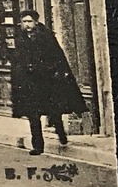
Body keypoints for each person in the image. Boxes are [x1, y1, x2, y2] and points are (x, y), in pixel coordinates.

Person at [13, 10, 85, 154]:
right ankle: (38, 146)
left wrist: (52, 70)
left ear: (36, 22)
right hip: (30, 82)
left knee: (54, 111)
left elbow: (58, 55)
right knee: (33, 114)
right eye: (24, 22)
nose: (27, 25)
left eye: (29, 21)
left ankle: (61, 134)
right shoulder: (20, 38)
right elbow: (17, 59)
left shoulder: (46, 36)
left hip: (47, 80)